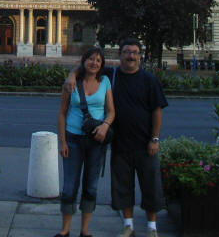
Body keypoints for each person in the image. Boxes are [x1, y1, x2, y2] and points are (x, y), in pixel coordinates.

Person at [66, 38, 168, 237]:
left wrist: (155, 138)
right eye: (127, 52)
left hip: (145, 143)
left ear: (140, 56)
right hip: (119, 142)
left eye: (135, 52)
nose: (131, 56)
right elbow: (88, 67)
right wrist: (71, 74)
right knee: (122, 186)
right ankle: (128, 226)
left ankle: (152, 228)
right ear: (120, 55)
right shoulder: (111, 76)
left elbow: (157, 111)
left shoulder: (149, 80)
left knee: (151, 185)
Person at [55, 46, 115, 237]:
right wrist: (62, 142)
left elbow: (111, 111)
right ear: (84, 61)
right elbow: (62, 113)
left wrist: (105, 125)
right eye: (91, 59)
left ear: (102, 64)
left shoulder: (105, 81)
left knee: (91, 185)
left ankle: (85, 230)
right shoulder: (72, 83)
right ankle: (65, 230)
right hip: (73, 139)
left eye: (98, 60)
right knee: (69, 186)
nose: (94, 63)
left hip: (96, 140)